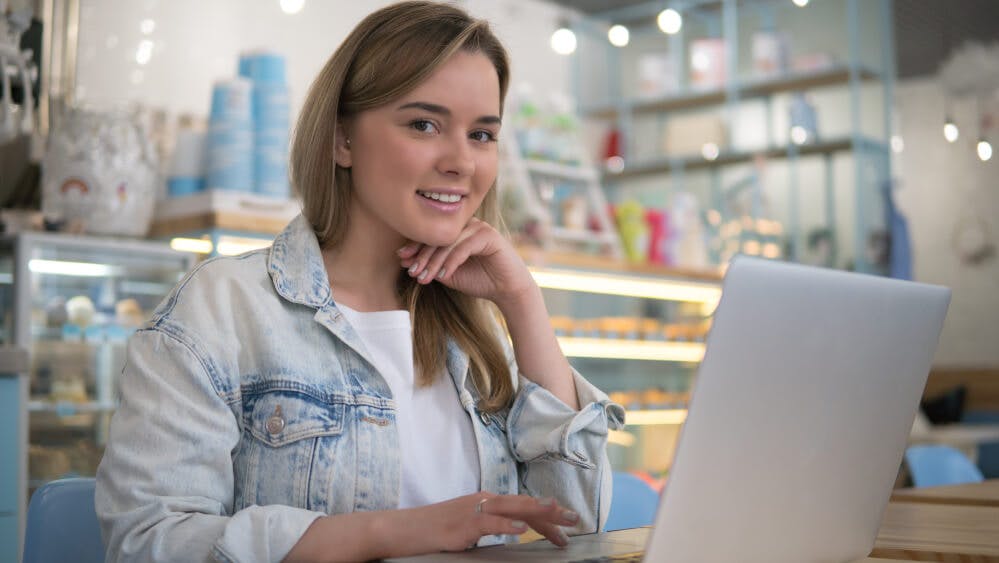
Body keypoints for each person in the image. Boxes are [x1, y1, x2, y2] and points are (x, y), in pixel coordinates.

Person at [95, 2, 624, 561]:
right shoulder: (223, 309)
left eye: (482, 134)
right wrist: (395, 532)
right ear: (342, 140)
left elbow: (578, 527)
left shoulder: (479, 331)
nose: (462, 163)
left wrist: (523, 302)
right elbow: (148, 540)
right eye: (424, 124)